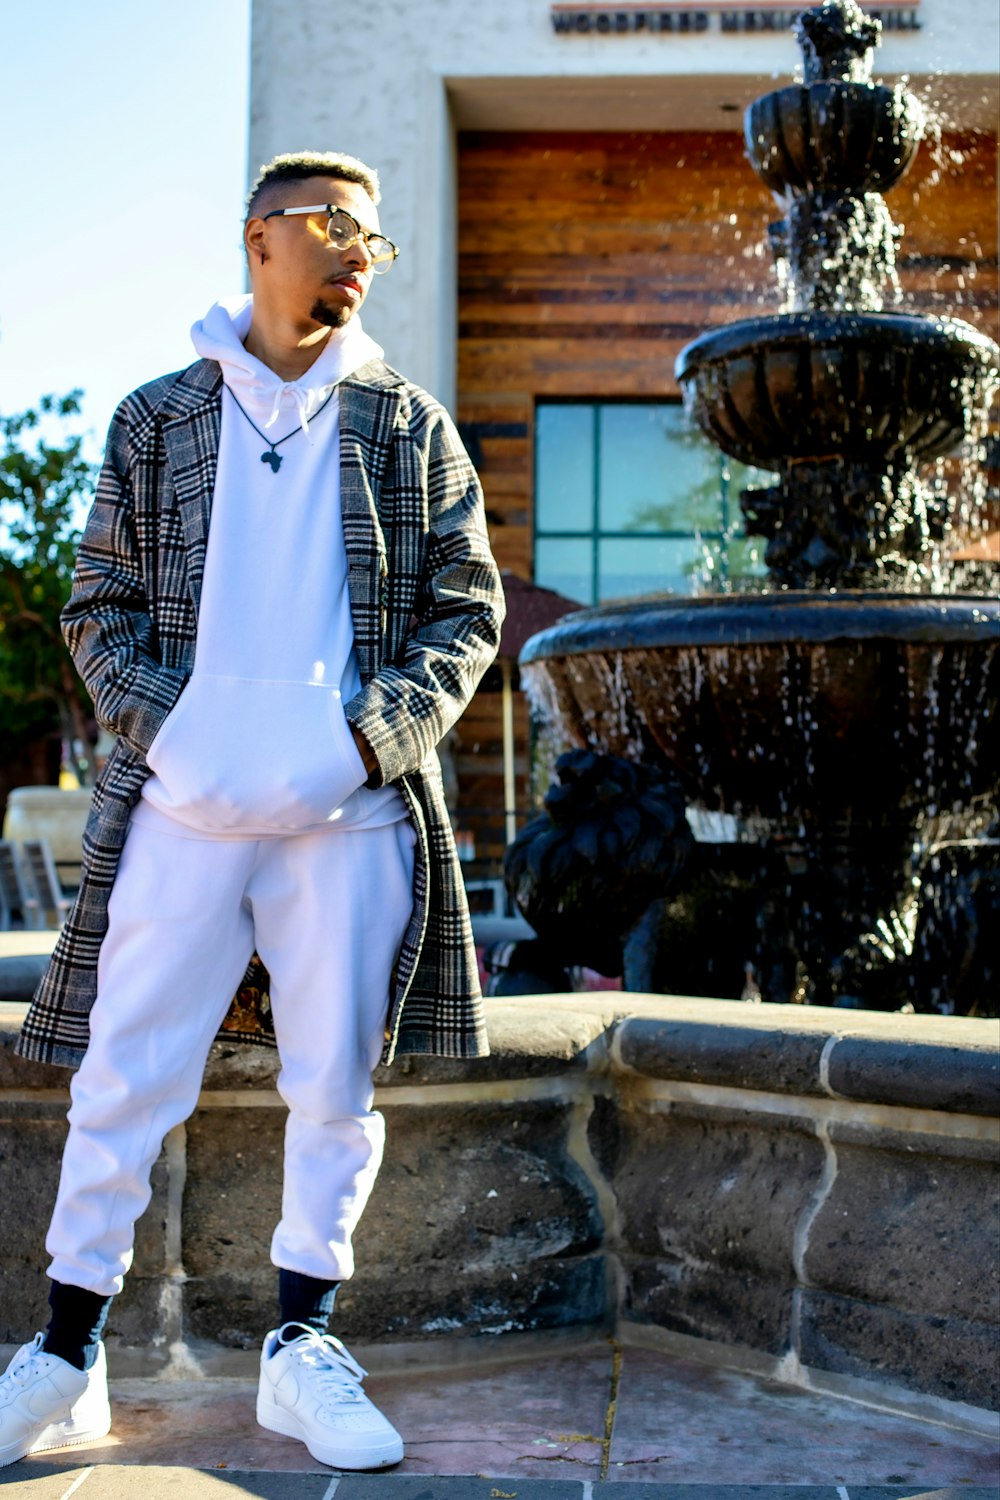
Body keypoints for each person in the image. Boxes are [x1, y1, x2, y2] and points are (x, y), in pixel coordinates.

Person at [2, 150, 505, 1472]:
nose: (355, 252)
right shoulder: (157, 417)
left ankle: (303, 1348)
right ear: (258, 239)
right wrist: (180, 732)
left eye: (373, 238)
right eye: (334, 226)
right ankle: (63, 1356)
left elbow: (467, 617)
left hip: (352, 819)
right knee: (122, 1077)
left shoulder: (409, 426)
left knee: (336, 1088)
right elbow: (98, 609)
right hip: (178, 814)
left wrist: (358, 743)